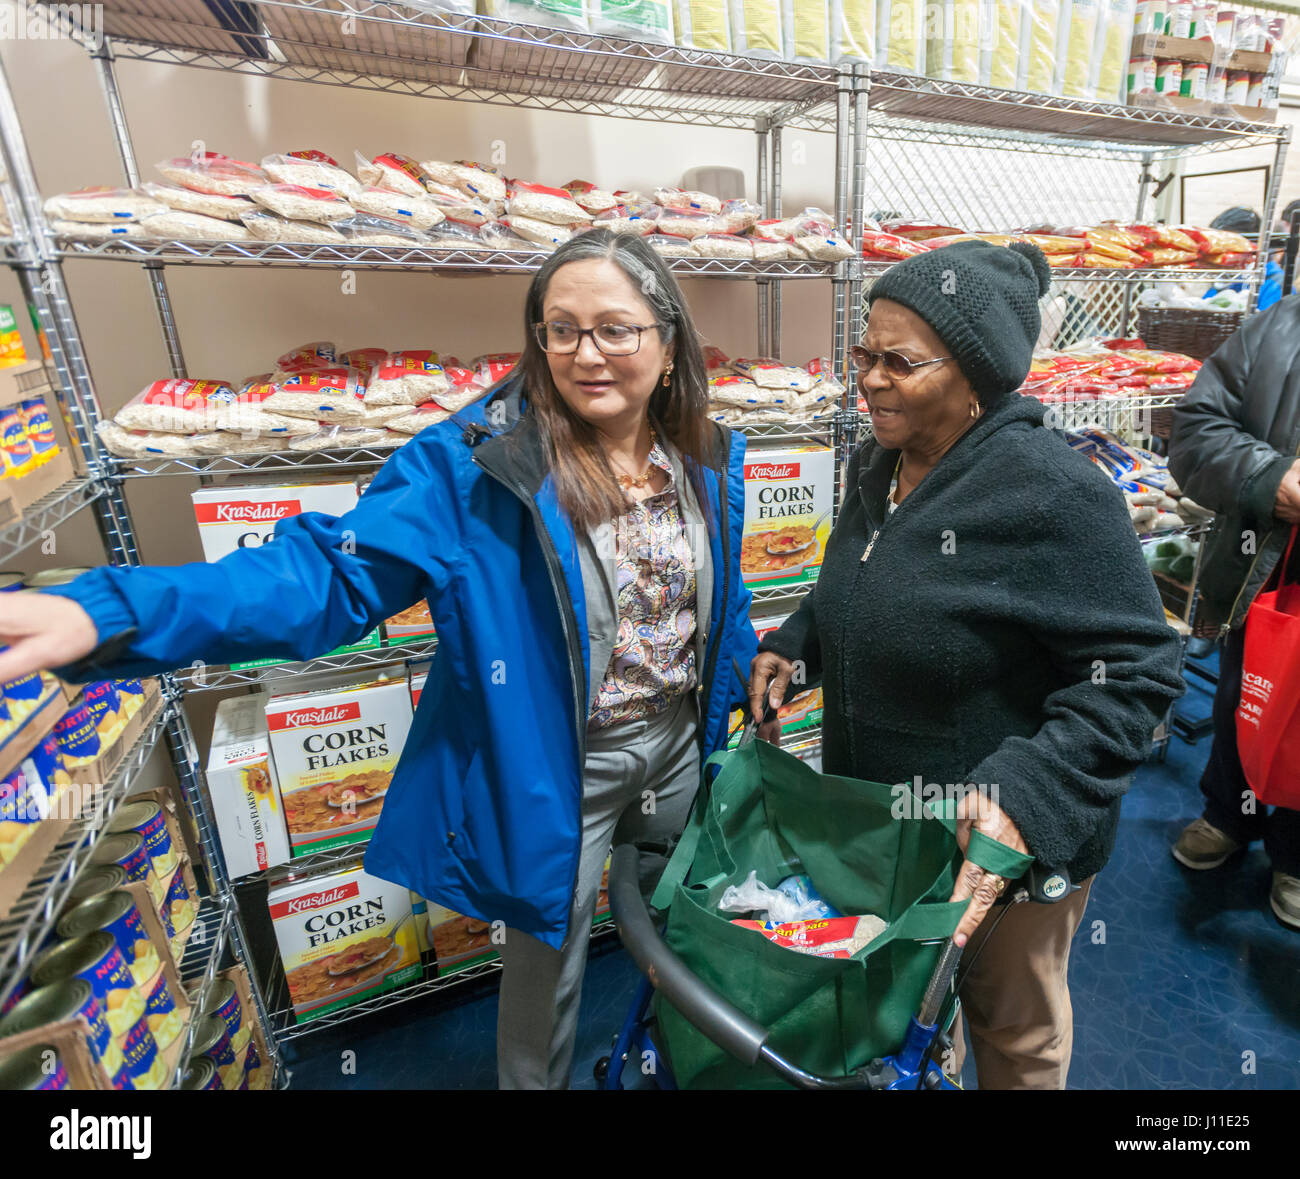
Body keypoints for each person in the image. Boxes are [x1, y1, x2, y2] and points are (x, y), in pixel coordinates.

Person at [0, 230, 760, 1088]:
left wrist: (739, 687)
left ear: (667, 348)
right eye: (561, 328)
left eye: (615, 329)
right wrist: (110, 609)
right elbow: (326, 573)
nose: (585, 354)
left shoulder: (704, 454)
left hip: (679, 748)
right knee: (548, 975)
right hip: (561, 769)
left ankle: (666, 1058)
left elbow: (710, 600)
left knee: (676, 923)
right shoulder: (476, 465)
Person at [749, 240, 1185, 1089]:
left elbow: (1138, 671)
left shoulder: (1053, 495)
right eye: (862, 353)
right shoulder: (884, 461)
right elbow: (864, 580)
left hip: (1006, 846)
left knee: (1012, 1030)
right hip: (893, 823)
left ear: (977, 375)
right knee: (911, 1012)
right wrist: (800, 640)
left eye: (899, 362)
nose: (868, 378)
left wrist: (1024, 794)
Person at [1167, 293, 1300, 930]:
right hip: (1264, 565)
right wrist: (1271, 479)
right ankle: (1228, 813)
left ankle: (1297, 855)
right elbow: (1195, 434)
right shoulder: (1275, 329)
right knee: (1245, 694)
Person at [1202, 206, 1291, 310]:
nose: (1221, 255)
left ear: (1253, 245)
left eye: (1229, 246)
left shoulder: (1276, 286)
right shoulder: (1229, 280)